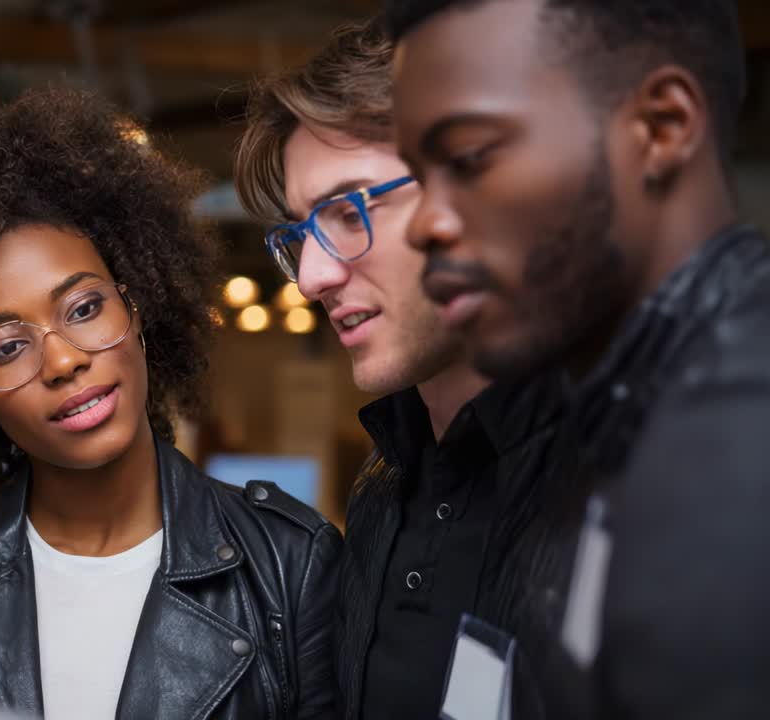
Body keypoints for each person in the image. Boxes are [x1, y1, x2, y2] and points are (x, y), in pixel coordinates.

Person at [0, 83, 343, 719]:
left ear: (140, 304)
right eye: (7, 347)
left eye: (85, 308)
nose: (64, 361)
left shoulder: (289, 564)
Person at [386, 0, 770, 716]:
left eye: (469, 157)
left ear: (661, 127)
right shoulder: (629, 419)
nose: (425, 223)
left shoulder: (733, 448)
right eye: (420, 174)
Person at [236, 21, 564, 719]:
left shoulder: (636, 474)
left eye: (348, 212)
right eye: (298, 237)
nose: (312, 277)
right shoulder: (383, 489)